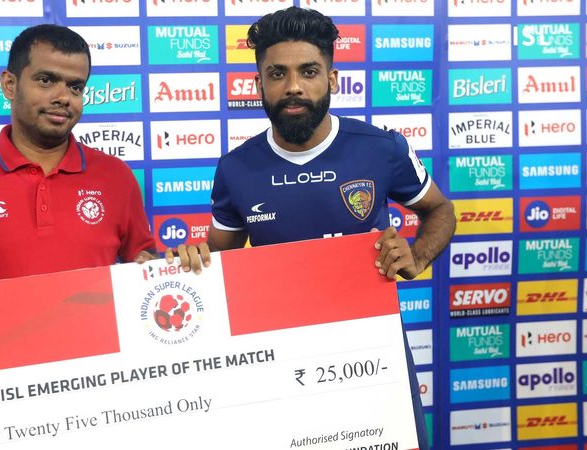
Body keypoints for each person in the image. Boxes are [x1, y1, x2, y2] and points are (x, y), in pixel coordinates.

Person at [182, 7, 455, 448]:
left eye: (308, 72)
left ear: (331, 79)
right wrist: (192, 261)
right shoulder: (236, 168)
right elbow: (218, 261)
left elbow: (440, 210)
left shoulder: (381, 148)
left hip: (374, 352)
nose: (293, 86)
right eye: (277, 73)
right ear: (259, 84)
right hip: (276, 358)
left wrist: (417, 256)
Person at [0, 24, 207, 320]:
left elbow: (143, 261)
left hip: (98, 363)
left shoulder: (116, 178)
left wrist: (173, 265)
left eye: (75, 87)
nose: (63, 97)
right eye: (46, 80)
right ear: (10, 84)